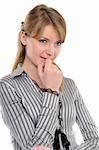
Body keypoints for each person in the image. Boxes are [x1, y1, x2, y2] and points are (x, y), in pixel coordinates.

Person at [0, 4, 99, 150]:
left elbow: (95, 140)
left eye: (58, 43)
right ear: (24, 37)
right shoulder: (8, 87)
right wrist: (51, 91)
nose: (51, 52)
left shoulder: (70, 84)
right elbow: (34, 147)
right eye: (43, 41)